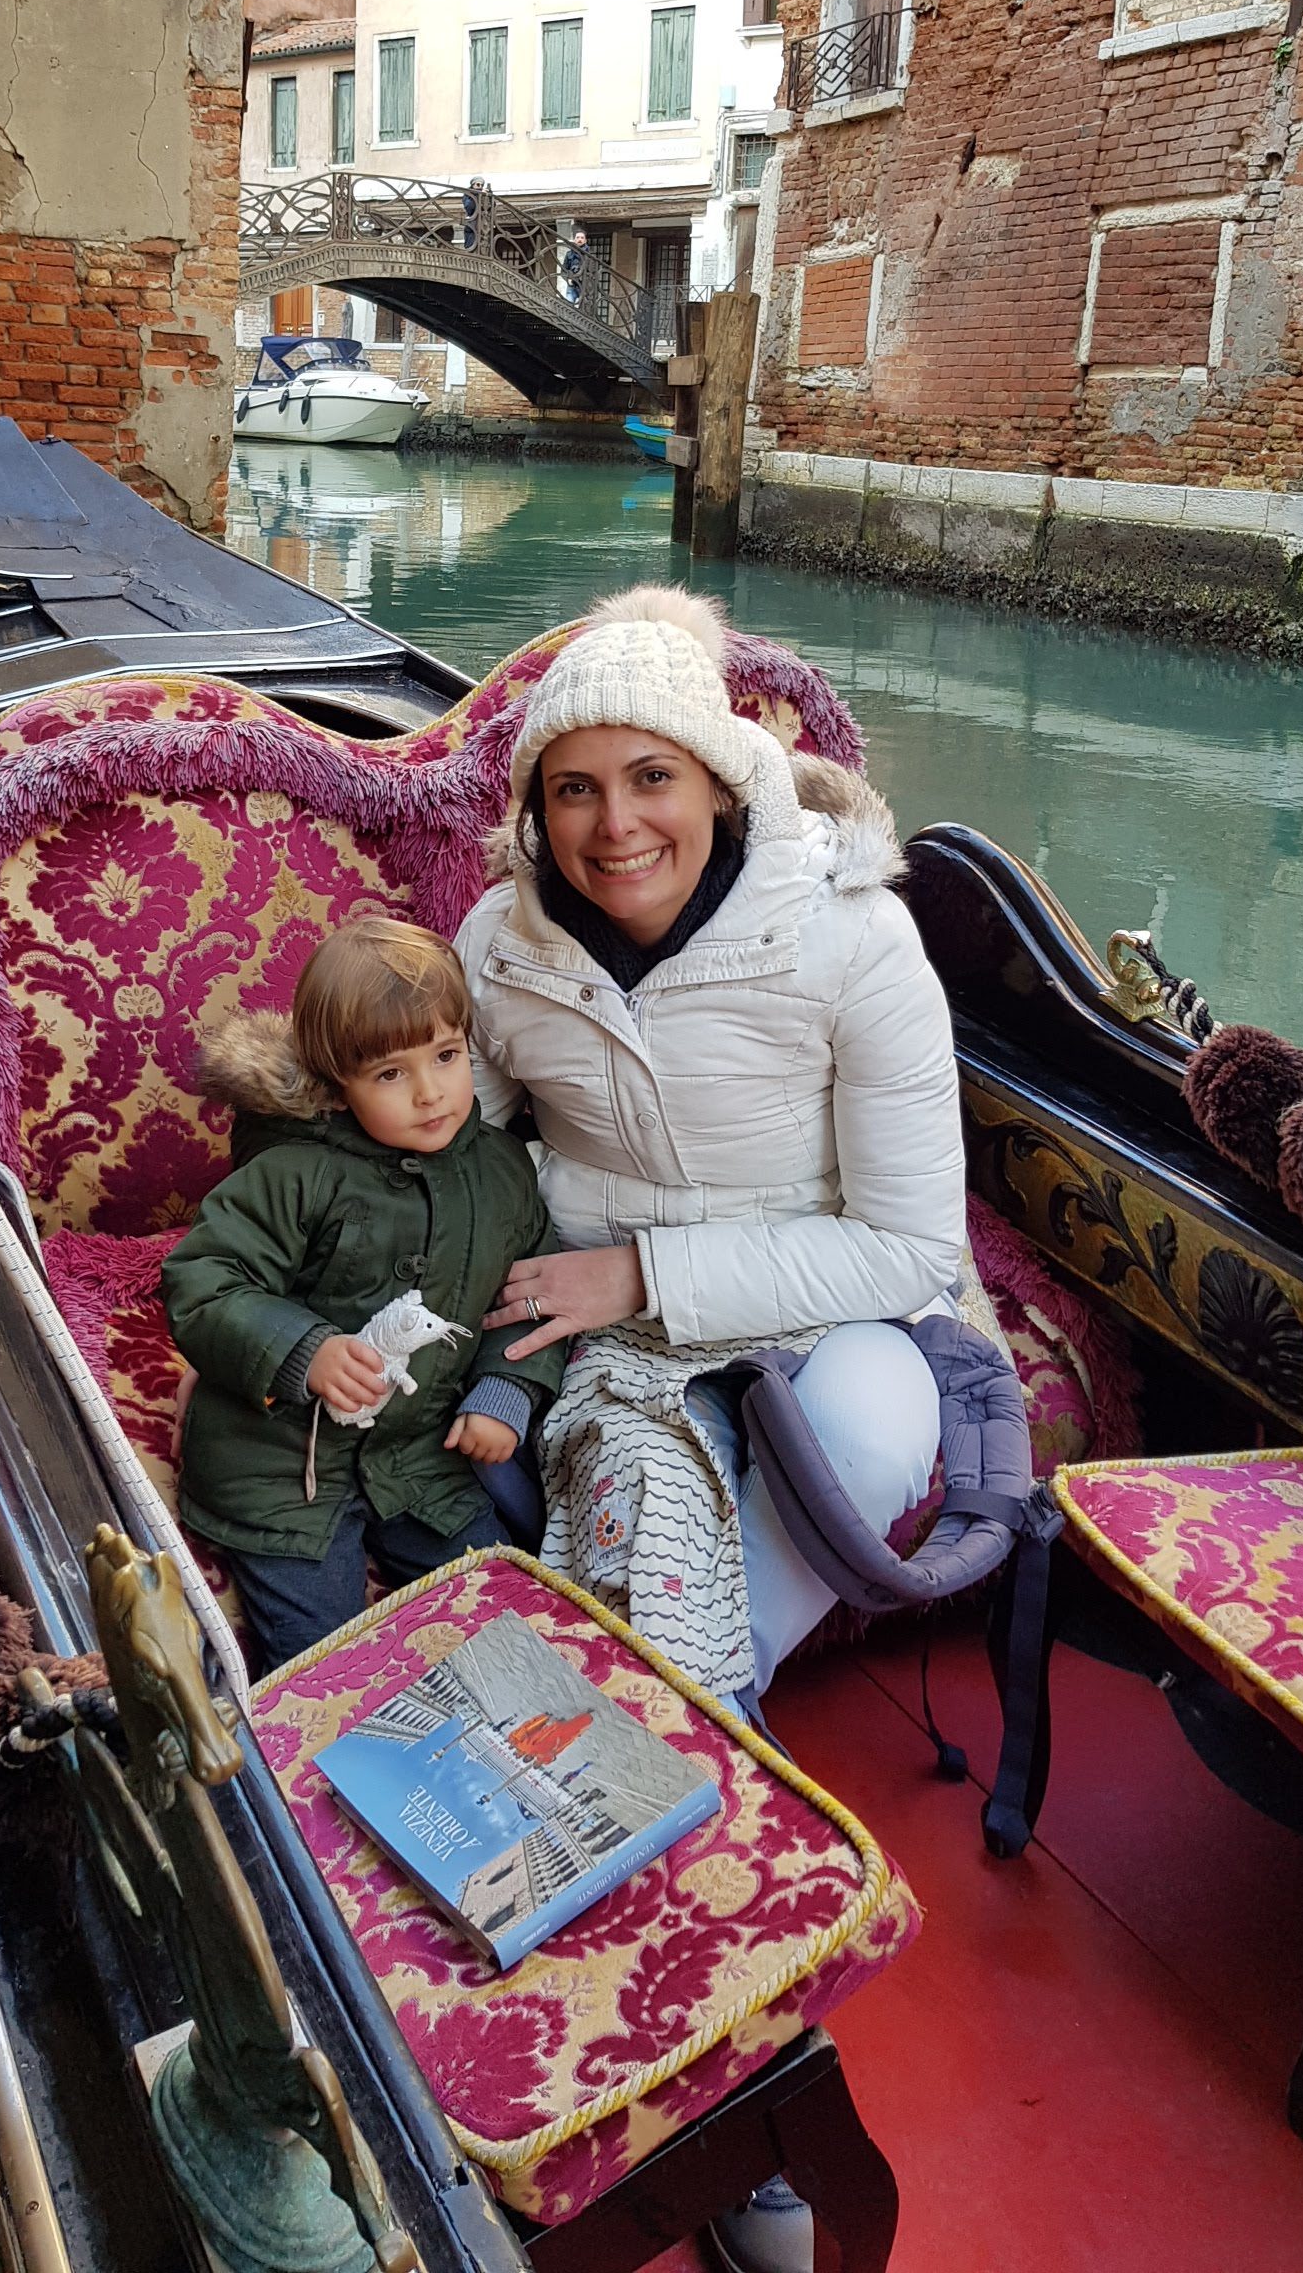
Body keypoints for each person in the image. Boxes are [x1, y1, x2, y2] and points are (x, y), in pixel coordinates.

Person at [455, 586, 968, 2273]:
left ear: (723, 779)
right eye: (576, 789)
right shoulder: (500, 952)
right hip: (619, 1358)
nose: (616, 826)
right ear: (536, 809)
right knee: (655, 1608)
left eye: (650, 779)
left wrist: (644, 1271)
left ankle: (625, 1870)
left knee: (865, 1440)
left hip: (835, 1311)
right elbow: (465, 1154)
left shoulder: (852, 936)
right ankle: (732, 2064)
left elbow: (911, 1247)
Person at [161, 918, 567, 1673]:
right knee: (322, 1658)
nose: (430, 1092)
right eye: (389, 1074)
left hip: (420, 1456)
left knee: (504, 1614)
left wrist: (505, 1390)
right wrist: (302, 1351)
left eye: (446, 1056)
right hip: (282, 1467)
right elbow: (205, 1280)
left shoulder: (502, 1173)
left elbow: (529, 1292)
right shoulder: (295, 1171)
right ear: (335, 1080)